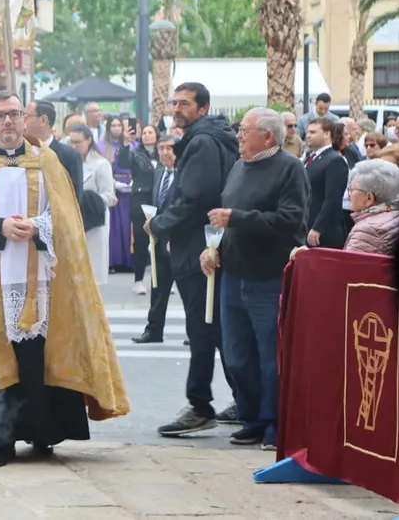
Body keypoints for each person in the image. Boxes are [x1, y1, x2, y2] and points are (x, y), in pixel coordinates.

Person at [0, 90, 129, 468]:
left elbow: (68, 219)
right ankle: (1, 440)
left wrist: (39, 226)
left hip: (43, 278)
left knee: (37, 356)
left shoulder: (48, 161)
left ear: (25, 121)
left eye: (14, 115)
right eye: (0, 116)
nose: (8, 122)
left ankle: (44, 433)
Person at [203, 107, 309, 451]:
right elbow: (226, 221)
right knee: (236, 354)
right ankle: (251, 417)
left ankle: (274, 424)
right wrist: (213, 249)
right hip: (233, 273)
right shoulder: (238, 166)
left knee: (270, 356)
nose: (238, 135)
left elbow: (290, 221)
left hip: (269, 276)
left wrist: (238, 217)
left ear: (267, 135)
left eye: (244, 130)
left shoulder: (289, 169)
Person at [145, 82, 240, 436]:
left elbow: (193, 196)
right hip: (207, 244)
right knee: (215, 329)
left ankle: (201, 405)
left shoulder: (201, 142)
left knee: (203, 329)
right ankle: (247, 401)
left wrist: (160, 224)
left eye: (184, 103)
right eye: (174, 102)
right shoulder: (212, 137)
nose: (176, 108)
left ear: (202, 108)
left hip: (198, 247)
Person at [132, 134, 178, 344]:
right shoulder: (159, 173)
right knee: (158, 288)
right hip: (158, 240)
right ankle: (154, 330)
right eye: (162, 148)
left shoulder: (185, 174)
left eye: (170, 148)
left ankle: (197, 333)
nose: (165, 152)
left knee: (190, 293)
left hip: (178, 242)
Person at [69, 124, 114, 285]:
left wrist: (87, 199)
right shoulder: (69, 162)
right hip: (72, 219)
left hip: (93, 220)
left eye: (78, 142)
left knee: (93, 271)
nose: (74, 146)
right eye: (71, 142)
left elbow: (109, 196)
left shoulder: (101, 164)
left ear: (89, 140)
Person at [119, 123, 159, 295]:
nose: (147, 135)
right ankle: (139, 280)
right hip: (140, 200)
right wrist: (126, 144)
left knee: (161, 241)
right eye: (145, 133)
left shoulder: (164, 151)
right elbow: (122, 162)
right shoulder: (135, 153)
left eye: (151, 132)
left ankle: (162, 279)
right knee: (141, 240)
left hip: (159, 199)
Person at [303, 118, 349, 250]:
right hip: (307, 224)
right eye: (308, 132)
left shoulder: (335, 160)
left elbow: (333, 198)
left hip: (323, 232)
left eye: (313, 132)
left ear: (327, 134)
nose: (308, 135)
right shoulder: (311, 157)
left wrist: (318, 227)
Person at [24, 100, 84, 200]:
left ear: (43, 120)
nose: (22, 121)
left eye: (27, 116)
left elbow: (75, 199)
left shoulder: (69, 157)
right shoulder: (20, 152)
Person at [99, 116, 137, 271]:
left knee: (127, 226)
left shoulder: (132, 145)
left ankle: (129, 262)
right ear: (108, 128)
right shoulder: (101, 146)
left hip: (130, 191)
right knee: (114, 227)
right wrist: (113, 184)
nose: (116, 128)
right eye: (113, 125)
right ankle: (113, 261)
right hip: (112, 190)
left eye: (118, 125)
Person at [341, 159, 399, 255]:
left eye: (351, 190)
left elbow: (346, 268)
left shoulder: (366, 231)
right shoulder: (395, 215)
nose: (349, 195)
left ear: (369, 198)